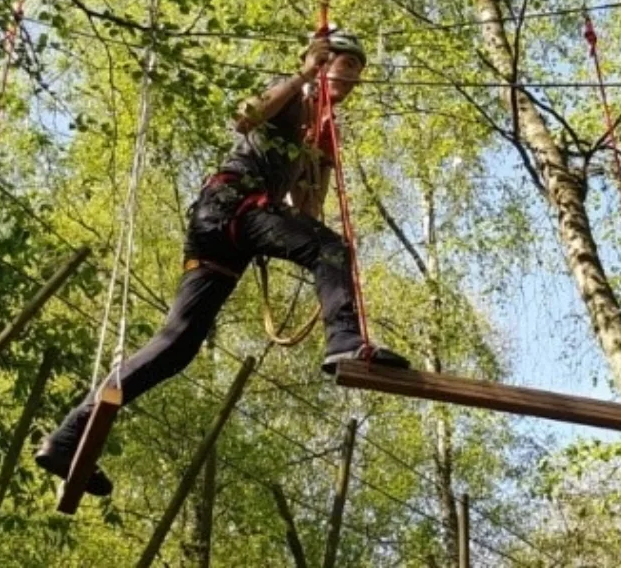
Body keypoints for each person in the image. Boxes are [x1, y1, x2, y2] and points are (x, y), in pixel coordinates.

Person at [35, 29, 409, 496]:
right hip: (234, 204)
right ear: (320, 61)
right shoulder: (289, 92)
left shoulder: (323, 131)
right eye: (344, 65)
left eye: (357, 71)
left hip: (231, 229)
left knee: (177, 345)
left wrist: (319, 166)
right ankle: (346, 343)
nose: (350, 78)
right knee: (331, 249)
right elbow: (244, 118)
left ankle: (69, 436)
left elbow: (308, 212)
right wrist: (301, 76)